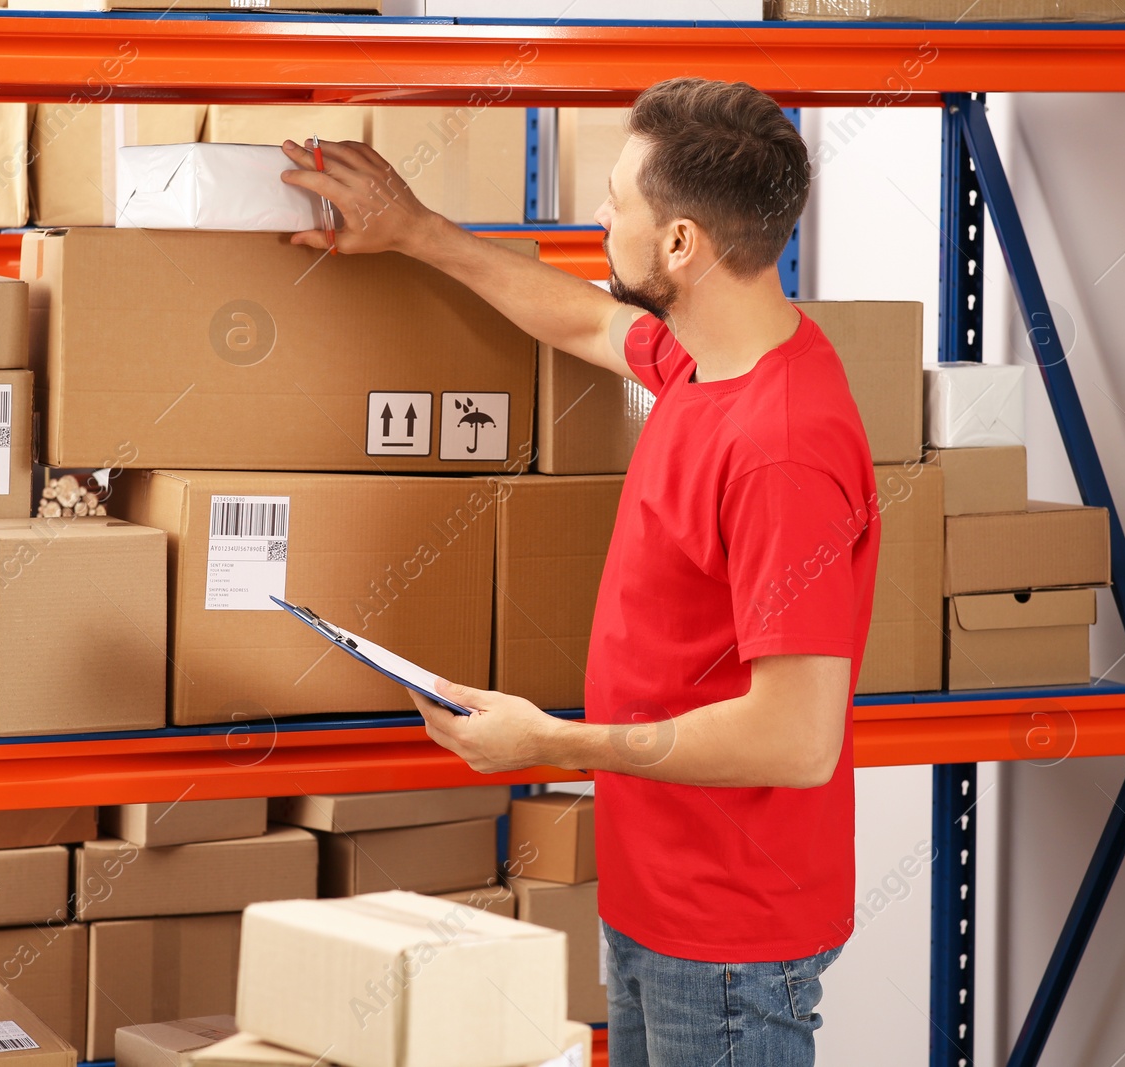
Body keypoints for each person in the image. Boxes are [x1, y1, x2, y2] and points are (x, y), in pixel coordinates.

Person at [282, 77, 878, 1067]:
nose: (597, 216)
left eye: (617, 200)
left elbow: (798, 736)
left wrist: (550, 738)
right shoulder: (702, 360)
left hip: (728, 929)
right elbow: (583, 322)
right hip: (658, 895)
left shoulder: (780, 450)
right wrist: (417, 230)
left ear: (680, 244)